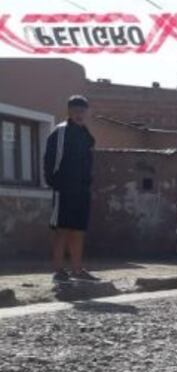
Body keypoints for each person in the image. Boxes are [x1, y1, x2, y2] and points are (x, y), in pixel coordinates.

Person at [44, 95, 98, 283]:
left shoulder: (86, 135)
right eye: (75, 110)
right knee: (62, 230)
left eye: (82, 110)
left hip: (82, 191)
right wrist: (55, 183)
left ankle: (77, 269)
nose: (79, 114)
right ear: (69, 111)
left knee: (78, 230)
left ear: (87, 112)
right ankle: (58, 271)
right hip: (64, 190)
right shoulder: (61, 132)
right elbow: (50, 159)